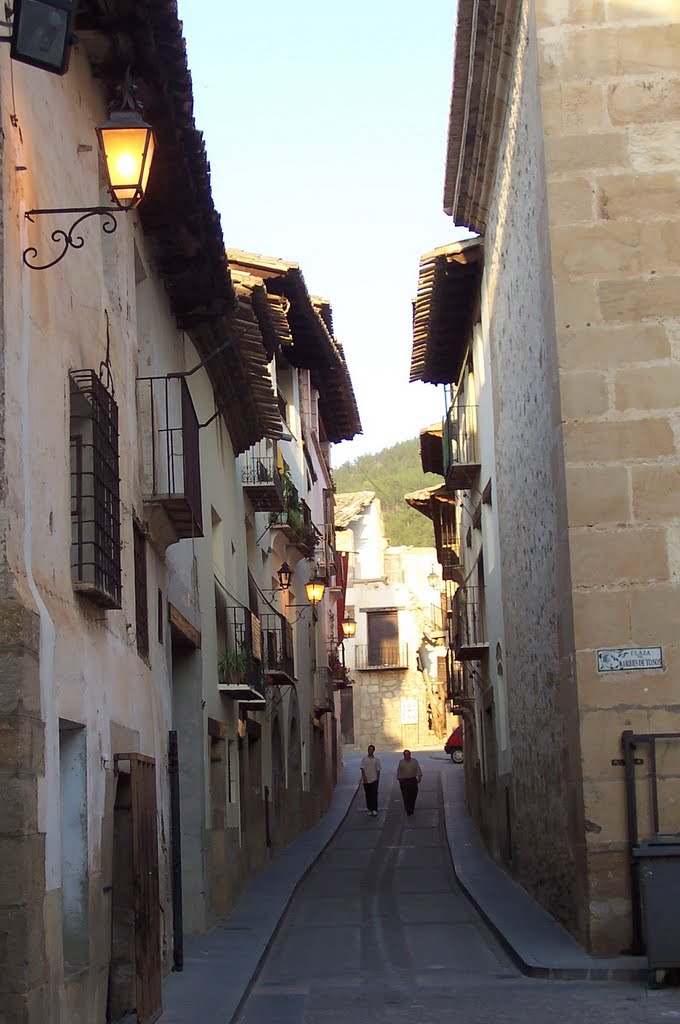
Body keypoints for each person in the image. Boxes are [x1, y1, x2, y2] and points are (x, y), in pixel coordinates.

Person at [396, 749, 422, 816]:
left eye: (408, 754)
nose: (406, 755)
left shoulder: (414, 761)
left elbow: (418, 769)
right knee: (405, 796)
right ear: (403, 755)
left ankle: (411, 807)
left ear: (410, 754)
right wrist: (399, 778)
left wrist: (419, 777)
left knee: (413, 795)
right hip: (404, 781)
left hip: (412, 780)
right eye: (405, 754)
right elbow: (399, 771)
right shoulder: (401, 762)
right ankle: (408, 809)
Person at [360, 744, 381, 816]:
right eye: (369, 749)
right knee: (368, 795)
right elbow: (362, 768)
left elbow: (378, 770)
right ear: (368, 750)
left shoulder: (376, 760)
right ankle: (369, 809)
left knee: (374, 795)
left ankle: (375, 809)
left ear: (373, 751)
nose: (370, 751)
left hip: (374, 779)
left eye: (372, 749)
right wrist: (364, 778)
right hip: (366, 780)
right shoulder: (364, 759)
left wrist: (377, 779)